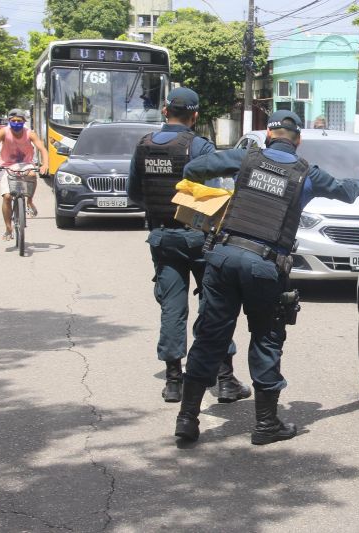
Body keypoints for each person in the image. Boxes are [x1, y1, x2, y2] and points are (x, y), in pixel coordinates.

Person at [173, 110, 359, 444]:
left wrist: (219, 200)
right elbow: (347, 191)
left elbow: (193, 169)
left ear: (269, 136)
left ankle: (187, 420)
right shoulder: (307, 173)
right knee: (265, 338)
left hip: (224, 256)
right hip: (264, 266)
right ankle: (265, 426)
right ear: (298, 140)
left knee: (210, 337)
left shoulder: (245, 159)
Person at [127, 87, 250, 404]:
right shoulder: (199, 146)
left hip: (162, 237)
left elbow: (134, 194)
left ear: (165, 112)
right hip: (199, 238)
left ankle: (172, 381)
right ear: (195, 116)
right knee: (215, 306)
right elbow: (220, 188)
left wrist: (162, 207)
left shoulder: (144, 145)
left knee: (172, 306)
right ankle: (224, 379)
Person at [0, 109, 48, 240]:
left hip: (26, 163)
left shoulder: (30, 134)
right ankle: (8, 228)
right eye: (13, 121)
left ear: (24, 122)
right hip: (6, 166)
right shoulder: (3, 132)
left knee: (32, 175)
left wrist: (45, 165)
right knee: (7, 197)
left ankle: (29, 201)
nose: (16, 123)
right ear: (9, 121)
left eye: (19, 121)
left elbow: (42, 148)